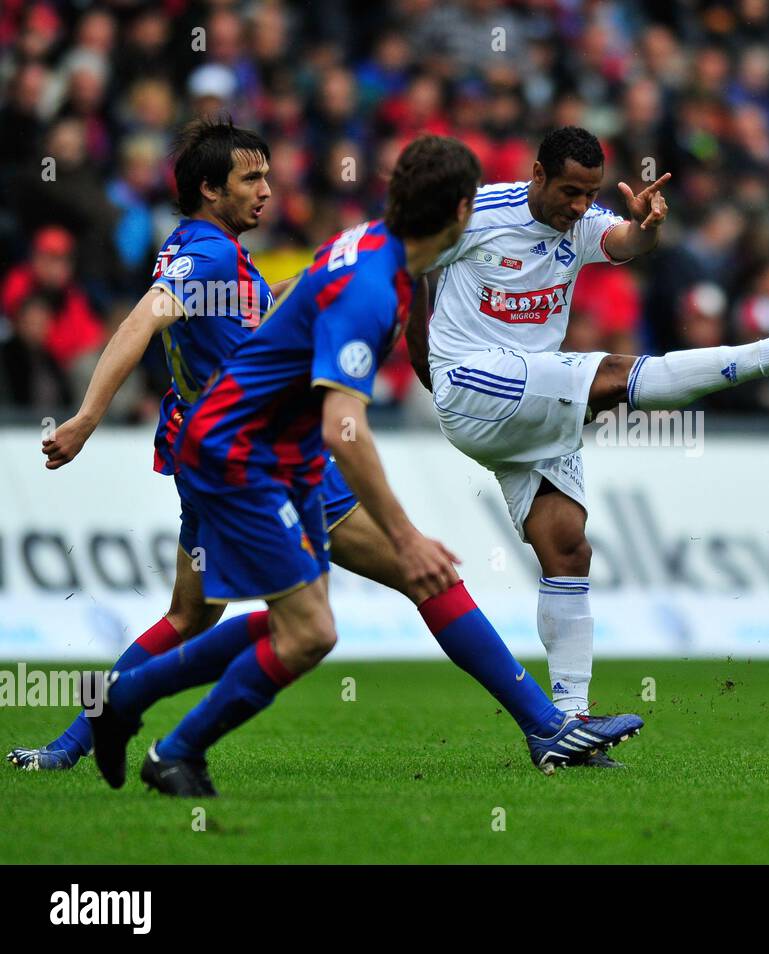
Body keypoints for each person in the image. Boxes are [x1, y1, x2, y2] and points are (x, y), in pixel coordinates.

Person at [10, 120, 637, 778]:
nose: (266, 189)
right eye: (251, 177)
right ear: (207, 188)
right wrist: (86, 416)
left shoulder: (248, 253)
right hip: (259, 457)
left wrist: (289, 298)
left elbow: (253, 321)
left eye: (267, 174)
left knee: (195, 615)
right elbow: (148, 319)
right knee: (405, 582)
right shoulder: (219, 255)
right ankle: (544, 725)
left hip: (217, 447)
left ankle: (81, 738)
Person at [407, 126, 769, 761]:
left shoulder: (581, 223)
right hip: (474, 382)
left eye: (589, 194)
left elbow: (627, 241)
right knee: (612, 376)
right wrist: (433, 375)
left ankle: (568, 726)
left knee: (567, 546)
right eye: (567, 192)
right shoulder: (479, 215)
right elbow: (411, 274)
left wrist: (648, 225)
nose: (578, 206)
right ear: (534, 175)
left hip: (530, 394)